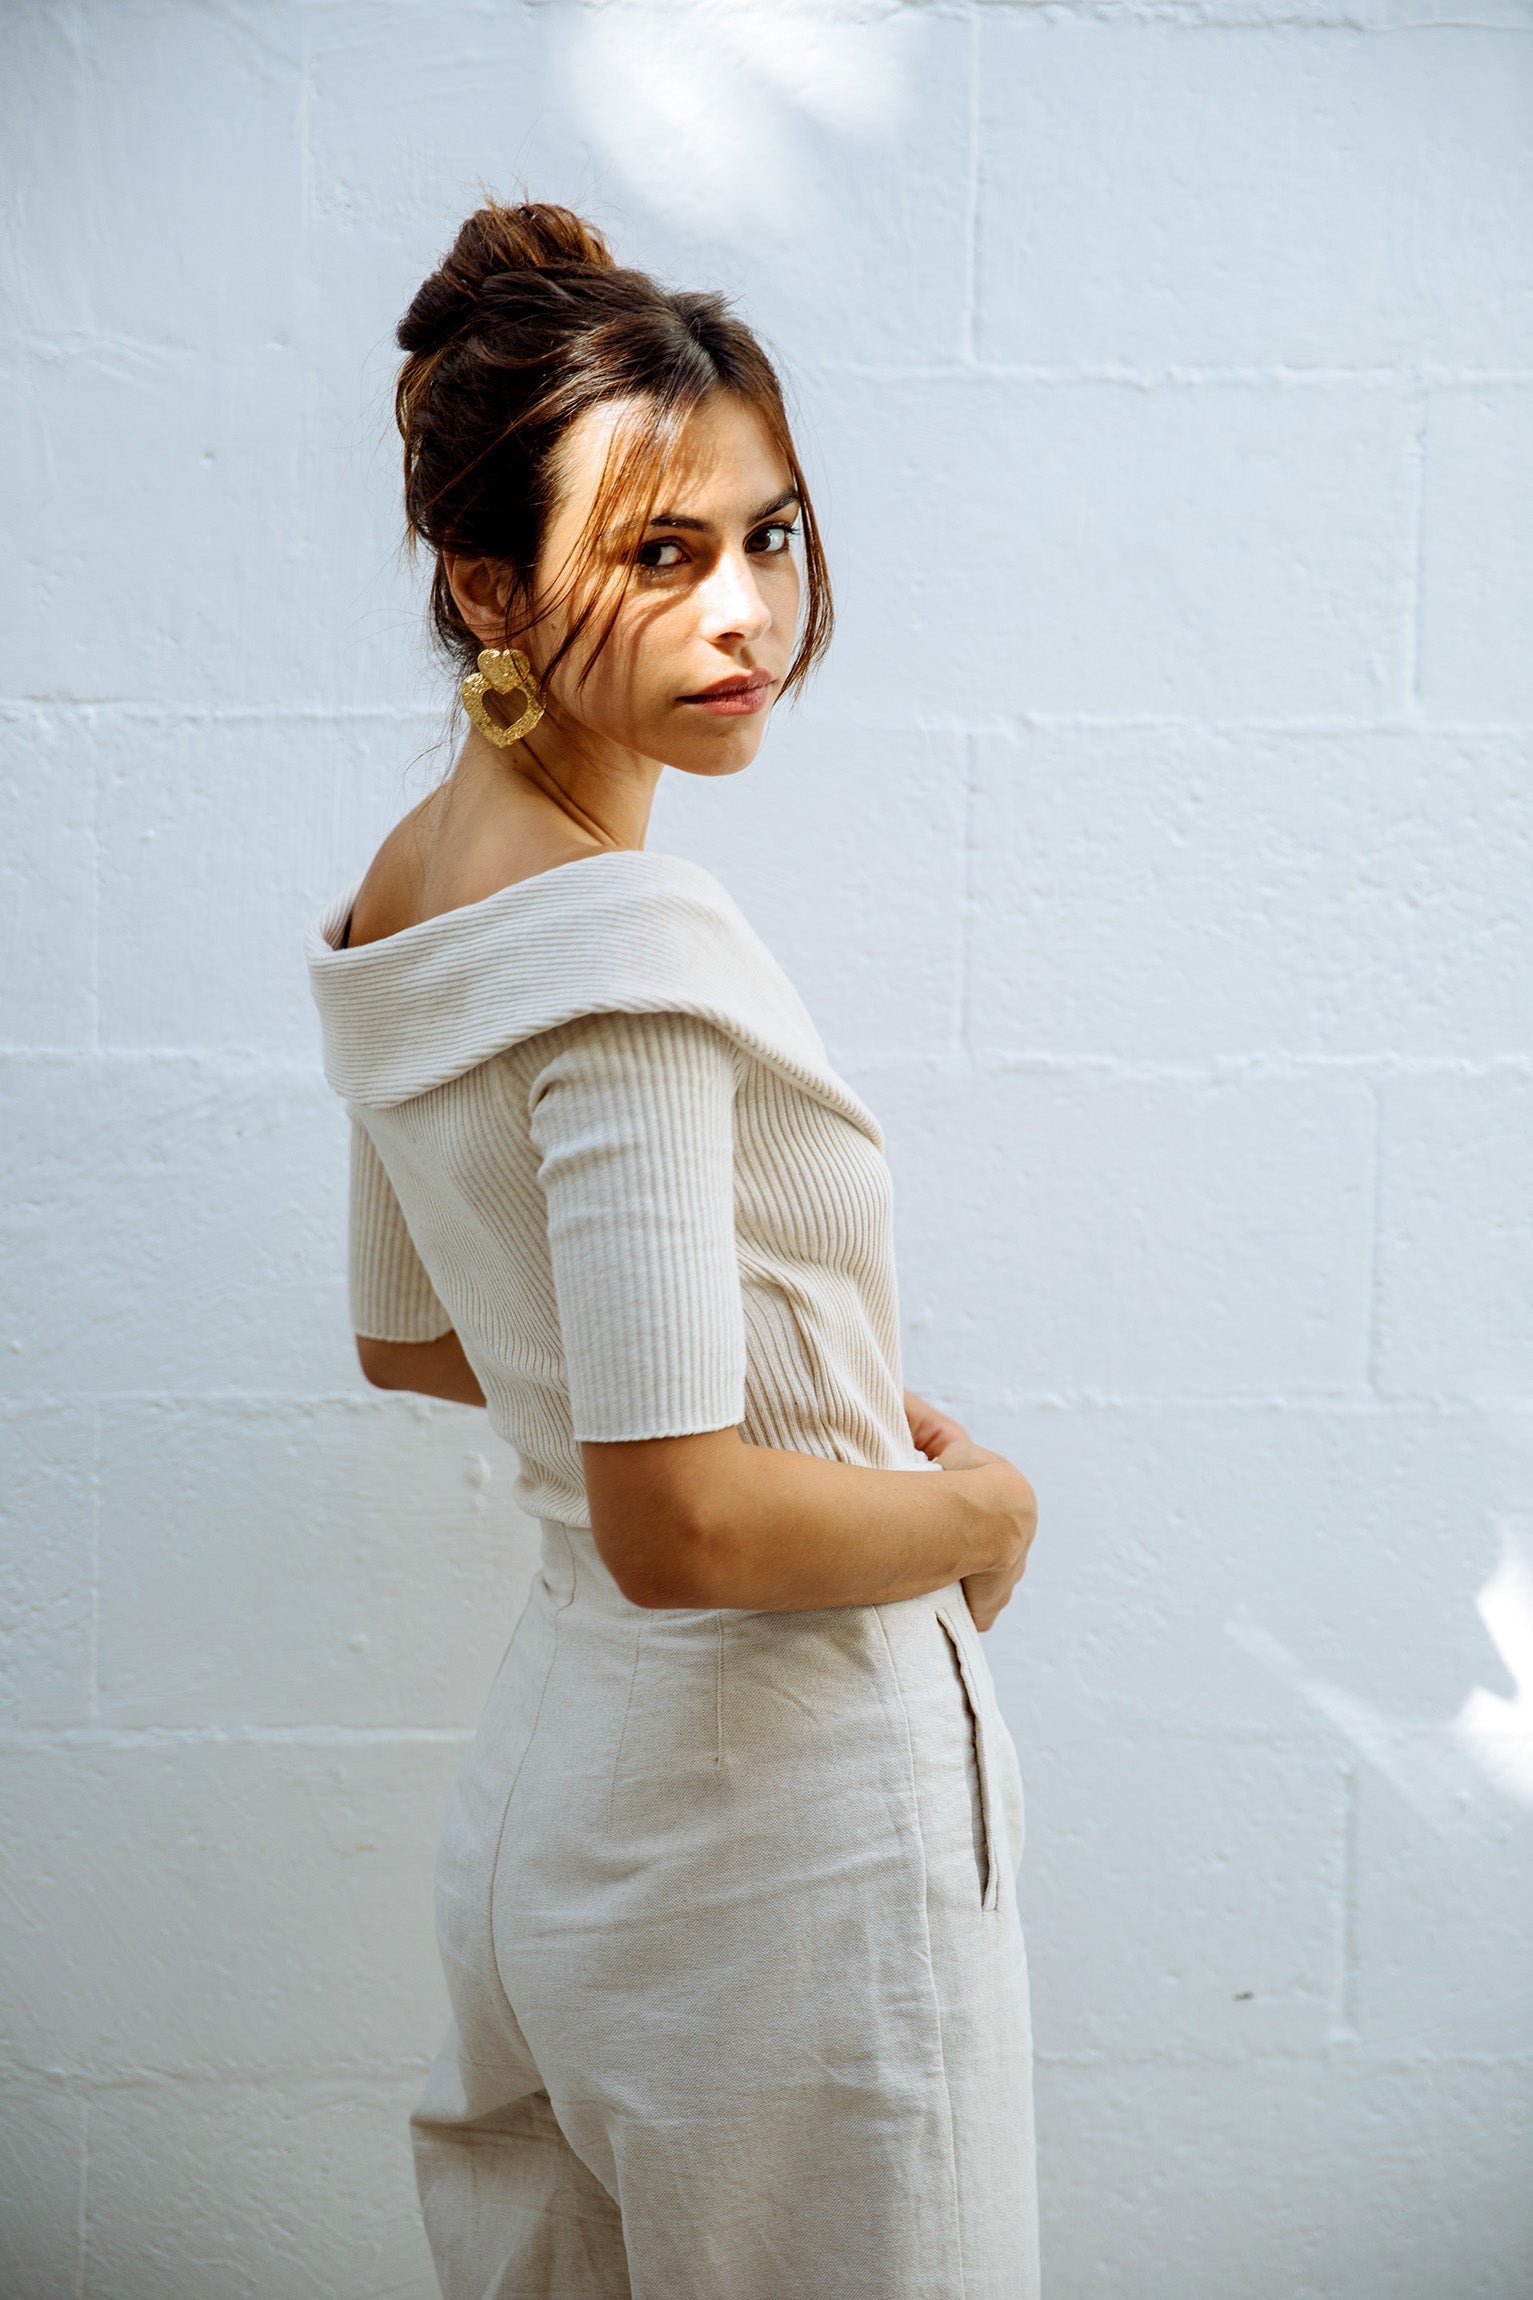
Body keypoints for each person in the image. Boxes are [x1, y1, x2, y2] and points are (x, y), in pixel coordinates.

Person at [307, 199, 1040, 2300]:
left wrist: (727, 1378)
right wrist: (974, 1512)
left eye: (768, 537)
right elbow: (682, 1522)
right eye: (658, 553)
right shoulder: (625, 952)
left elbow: (411, 1335)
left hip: (560, 1811)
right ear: (485, 585)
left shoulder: (408, 889)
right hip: (779, 1828)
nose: (745, 613)